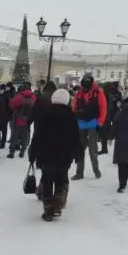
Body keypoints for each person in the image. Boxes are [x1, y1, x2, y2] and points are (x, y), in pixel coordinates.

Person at [28, 88, 81, 221]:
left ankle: (48, 209)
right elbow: (75, 137)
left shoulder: (45, 114)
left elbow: (38, 136)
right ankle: (57, 206)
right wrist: (78, 154)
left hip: (47, 155)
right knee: (60, 179)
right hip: (64, 156)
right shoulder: (71, 116)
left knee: (47, 180)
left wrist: (33, 153)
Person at [72, 73, 107, 180]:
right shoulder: (80, 93)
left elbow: (103, 107)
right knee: (81, 149)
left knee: (92, 149)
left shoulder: (98, 92)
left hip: (92, 123)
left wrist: (100, 122)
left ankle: (96, 171)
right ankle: (80, 173)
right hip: (82, 123)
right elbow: (74, 107)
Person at [7, 82, 36, 158]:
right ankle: (22, 151)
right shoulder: (33, 97)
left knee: (14, 136)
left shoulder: (19, 96)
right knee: (24, 137)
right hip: (27, 120)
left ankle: (12, 152)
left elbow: (11, 105)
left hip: (18, 119)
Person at [99, 81, 122, 154]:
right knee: (106, 133)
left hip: (104, 116)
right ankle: (105, 149)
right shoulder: (111, 95)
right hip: (109, 116)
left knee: (103, 134)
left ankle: (104, 149)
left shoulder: (105, 95)